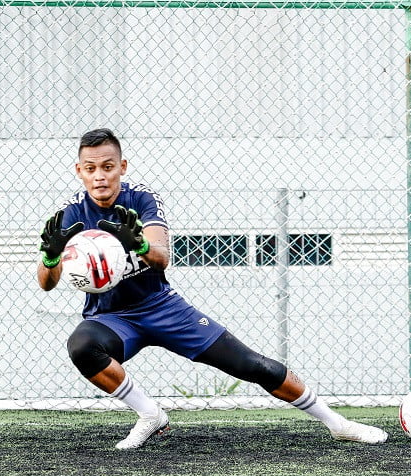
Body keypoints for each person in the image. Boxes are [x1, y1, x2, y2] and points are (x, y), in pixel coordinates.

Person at [37, 128, 388, 450]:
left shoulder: (141, 200)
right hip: (112, 318)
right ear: (79, 171)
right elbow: (46, 283)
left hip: (163, 308)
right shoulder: (71, 213)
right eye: (91, 168)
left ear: (122, 167)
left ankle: (337, 423)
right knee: (82, 346)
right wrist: (51, 257)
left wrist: (140, 245)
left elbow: (162, 258)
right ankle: (150, 415)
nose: (100, 176)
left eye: (108, 166)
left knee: (253, 365)